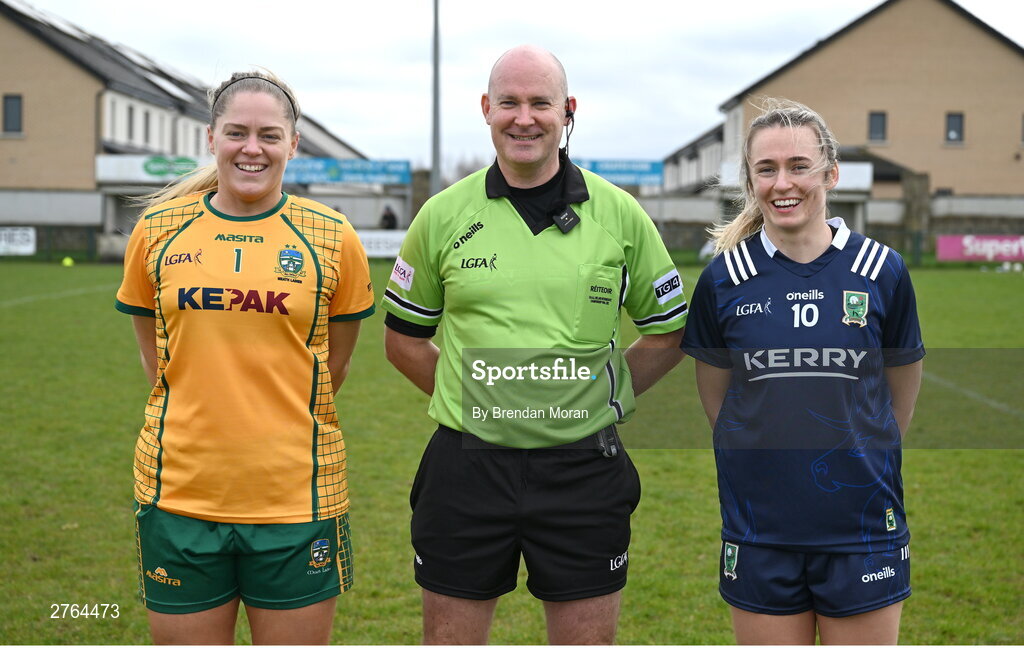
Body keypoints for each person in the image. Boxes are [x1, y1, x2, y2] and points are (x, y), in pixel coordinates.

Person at [381, 45, 688, 645]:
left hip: (582, 470)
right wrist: (479, 399)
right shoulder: (442, 216)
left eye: (540, 103)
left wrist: (603, 392)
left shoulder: (621, 215)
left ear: (567, 110)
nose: (524, 118)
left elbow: (669, 330)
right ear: (486, 110)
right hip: (466, 468)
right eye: (509, 103)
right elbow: (403, 342)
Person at [115, 71, 375, 645]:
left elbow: (333, 370)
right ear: (211, 138)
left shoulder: (332, 237)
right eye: (236, 132)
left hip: (298, 498)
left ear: (293, 144)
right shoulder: (157, 232)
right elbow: (157, 363)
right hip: (178, 495)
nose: (251, 148)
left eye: (268, 135)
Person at [681, 99, 924, 645]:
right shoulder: (725, 280)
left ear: (830, 173)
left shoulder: (880, 271)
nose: (782, 183)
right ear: (750, 181)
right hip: (761, 531)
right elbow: (720, 405)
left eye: (799, 166)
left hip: (861, 529)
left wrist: (859, 454)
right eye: (766, 169)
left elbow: (898, 399)